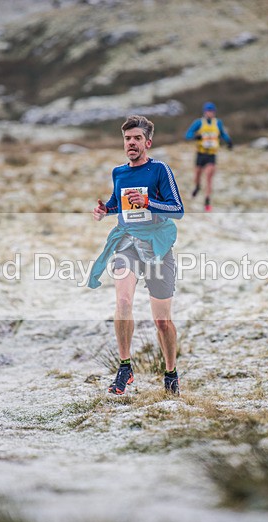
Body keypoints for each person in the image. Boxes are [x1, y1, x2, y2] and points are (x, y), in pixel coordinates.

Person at [89, 115, 185, 396]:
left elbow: (177, 209)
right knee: (122, 301)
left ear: (148, 142)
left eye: (137, 139)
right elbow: (117, 203)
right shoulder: (119, 173)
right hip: (127, 243)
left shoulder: (160, 171)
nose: (131, 143)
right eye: (127, 139)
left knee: (162, 321)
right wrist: (105, 210)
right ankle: (125, 367)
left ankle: (170, 374)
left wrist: (149, 202)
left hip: (156, 246)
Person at [184, 102, 233, 212]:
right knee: (197, 175)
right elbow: (187, 135)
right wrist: (196, 136)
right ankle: (197, 186)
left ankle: (207, 201)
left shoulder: (218, 123)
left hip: (212, 154)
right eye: (208, 111)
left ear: (214, 112)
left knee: (209, 176)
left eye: (212, 111)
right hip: (201, 154)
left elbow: (223, 134)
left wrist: (229, 141)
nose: (210, 113)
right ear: (205, 112)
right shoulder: (199, 123)